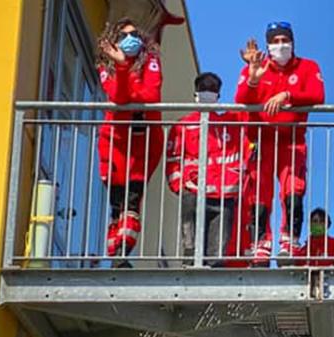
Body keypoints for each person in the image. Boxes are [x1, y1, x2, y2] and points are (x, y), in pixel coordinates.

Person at [235, 21, 325, 262]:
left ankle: (290, 242)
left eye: (285, 40)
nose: (280, 45)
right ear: (267, 45)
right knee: (259, 194)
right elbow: (241, 98)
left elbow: (318, 95)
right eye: (275, 41)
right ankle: (260, 244)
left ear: (293, 42)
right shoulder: (256, 66)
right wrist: (253, 78)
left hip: (291, 140)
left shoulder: (308, 66)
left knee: (293, 192)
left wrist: (287, 95)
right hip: (260, 140)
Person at [95, 18, 163, 261]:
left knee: (132, 203)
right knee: (117, 206)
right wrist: (122, 67)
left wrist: (127, 90)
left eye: (134, 34)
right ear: (114, 40)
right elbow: (117, 96)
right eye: (123, 36)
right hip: (114, 142)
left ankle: (124, 252)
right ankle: (116, 256)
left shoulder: (151, 60)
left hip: (144, 143)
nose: (130, 39)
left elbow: (151, 95)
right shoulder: (106, 66)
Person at [165, 72, 246, 266]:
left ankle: (211, 280)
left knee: (216, 258)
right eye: (204, 89)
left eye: (212, 89)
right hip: (193, 193)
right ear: (195, 93)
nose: (208, 93)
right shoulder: (183, 125)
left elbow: (249, 105)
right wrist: (180, 187)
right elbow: (173, 159)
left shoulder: (229, 124)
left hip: (224, 194)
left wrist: (237, 181)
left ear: (219, 95)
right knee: (191, 253)